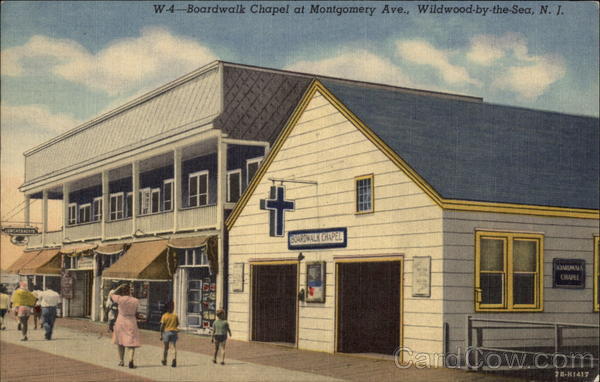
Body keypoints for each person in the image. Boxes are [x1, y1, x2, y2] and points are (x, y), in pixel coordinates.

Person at [109, 283, 140, 368]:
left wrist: (119, 287)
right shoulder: (135, 300)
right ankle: (130, 360)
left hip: (121, 320)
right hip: (131, 321)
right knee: (131, 342)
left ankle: (121, 361)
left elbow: (111, 294)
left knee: (120, 342)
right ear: (130, 291)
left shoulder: (119, 299)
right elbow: (137, 312)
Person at [159, 301, 179, 367]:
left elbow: (162, 326)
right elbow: (177, 324)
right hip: (174, 332)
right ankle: (174, 359)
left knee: (166, 348)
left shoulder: (164, 316)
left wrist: (161, 334)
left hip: (166, 332)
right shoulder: (175, 316)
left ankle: (164, 360)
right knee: (173, 346)